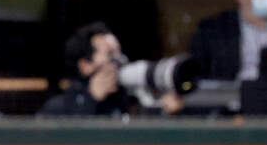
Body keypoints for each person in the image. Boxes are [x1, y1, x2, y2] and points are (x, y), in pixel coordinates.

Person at [38, 22, 182, 116]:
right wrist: (91, 100)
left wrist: (164, 112)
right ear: (85, 66)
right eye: (110, 54)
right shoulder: (59, 108)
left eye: (119, 52)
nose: (120, 61)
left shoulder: (129, 101)